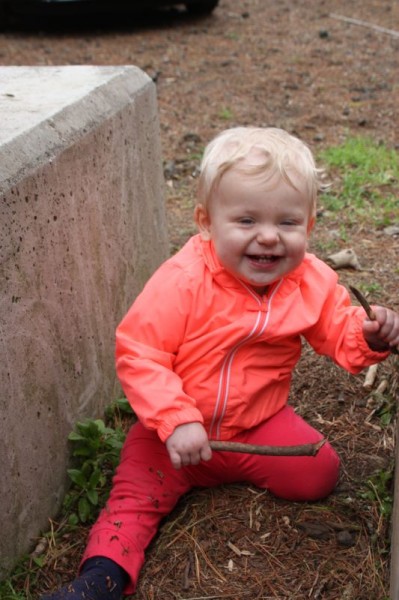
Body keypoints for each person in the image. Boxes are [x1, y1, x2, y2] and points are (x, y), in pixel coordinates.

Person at [42, 127, 399, 599]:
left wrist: (366, 334)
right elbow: (140, 351)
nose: (268, 237)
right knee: (132, 501)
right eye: (246, 220)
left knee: (320, 473)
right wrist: (176, 420)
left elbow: (335, 326)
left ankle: (230, 465)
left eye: (288, 223)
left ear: (309, 227)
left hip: (257, 427)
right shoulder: (183, 281)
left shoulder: (308, 281)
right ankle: (101, 577)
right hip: (173, 438)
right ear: (206, 222)